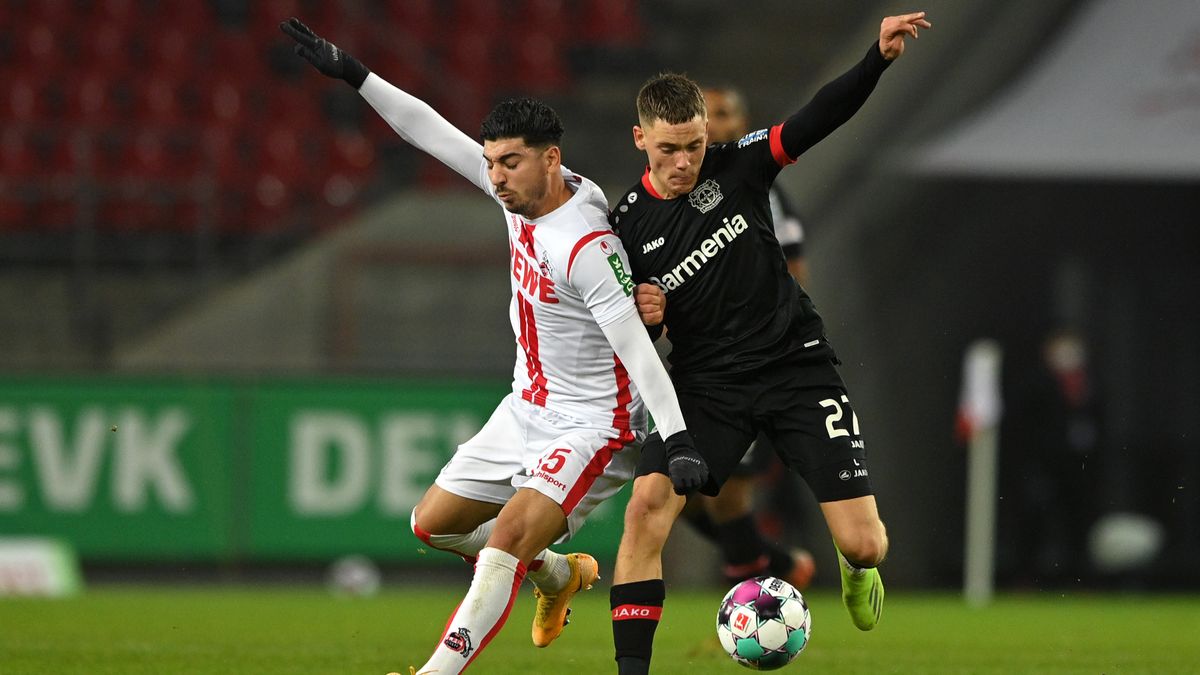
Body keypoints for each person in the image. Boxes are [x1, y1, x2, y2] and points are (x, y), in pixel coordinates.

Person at [280, 18, 708, 675]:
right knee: (434, 524)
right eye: (491, 163)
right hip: (526, 407)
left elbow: (636, 347)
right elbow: (428, 129)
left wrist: (677, 438)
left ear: (551, 158)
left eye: (509, 162)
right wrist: (355, 74)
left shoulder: (586, 245)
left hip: (595, 423)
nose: (496, 177)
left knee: (504, 537)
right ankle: (558, 573)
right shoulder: (516, 194)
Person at [606, 12, 931, 673]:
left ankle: (853, 567)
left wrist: (877, 58)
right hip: (708, 385)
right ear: (640, 138)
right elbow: (631, 330)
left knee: (868, 544)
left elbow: (817, 117)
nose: (683, 162)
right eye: (667, 149)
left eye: (693, 146)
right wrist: (650, 316)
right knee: (646, 506)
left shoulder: (740, 166)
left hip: (796, 369)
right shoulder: (624, 226)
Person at [672, 84, 817, 590]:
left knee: (727, 496)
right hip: (699, 366)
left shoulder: (763, 188)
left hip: (751, 363)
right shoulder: (676, 190)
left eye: (726, 113)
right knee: (676, 494)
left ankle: (754, 604)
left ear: (741, 124)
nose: (716, 124)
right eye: (706, 115)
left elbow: (795, 273)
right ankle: (775, 565)